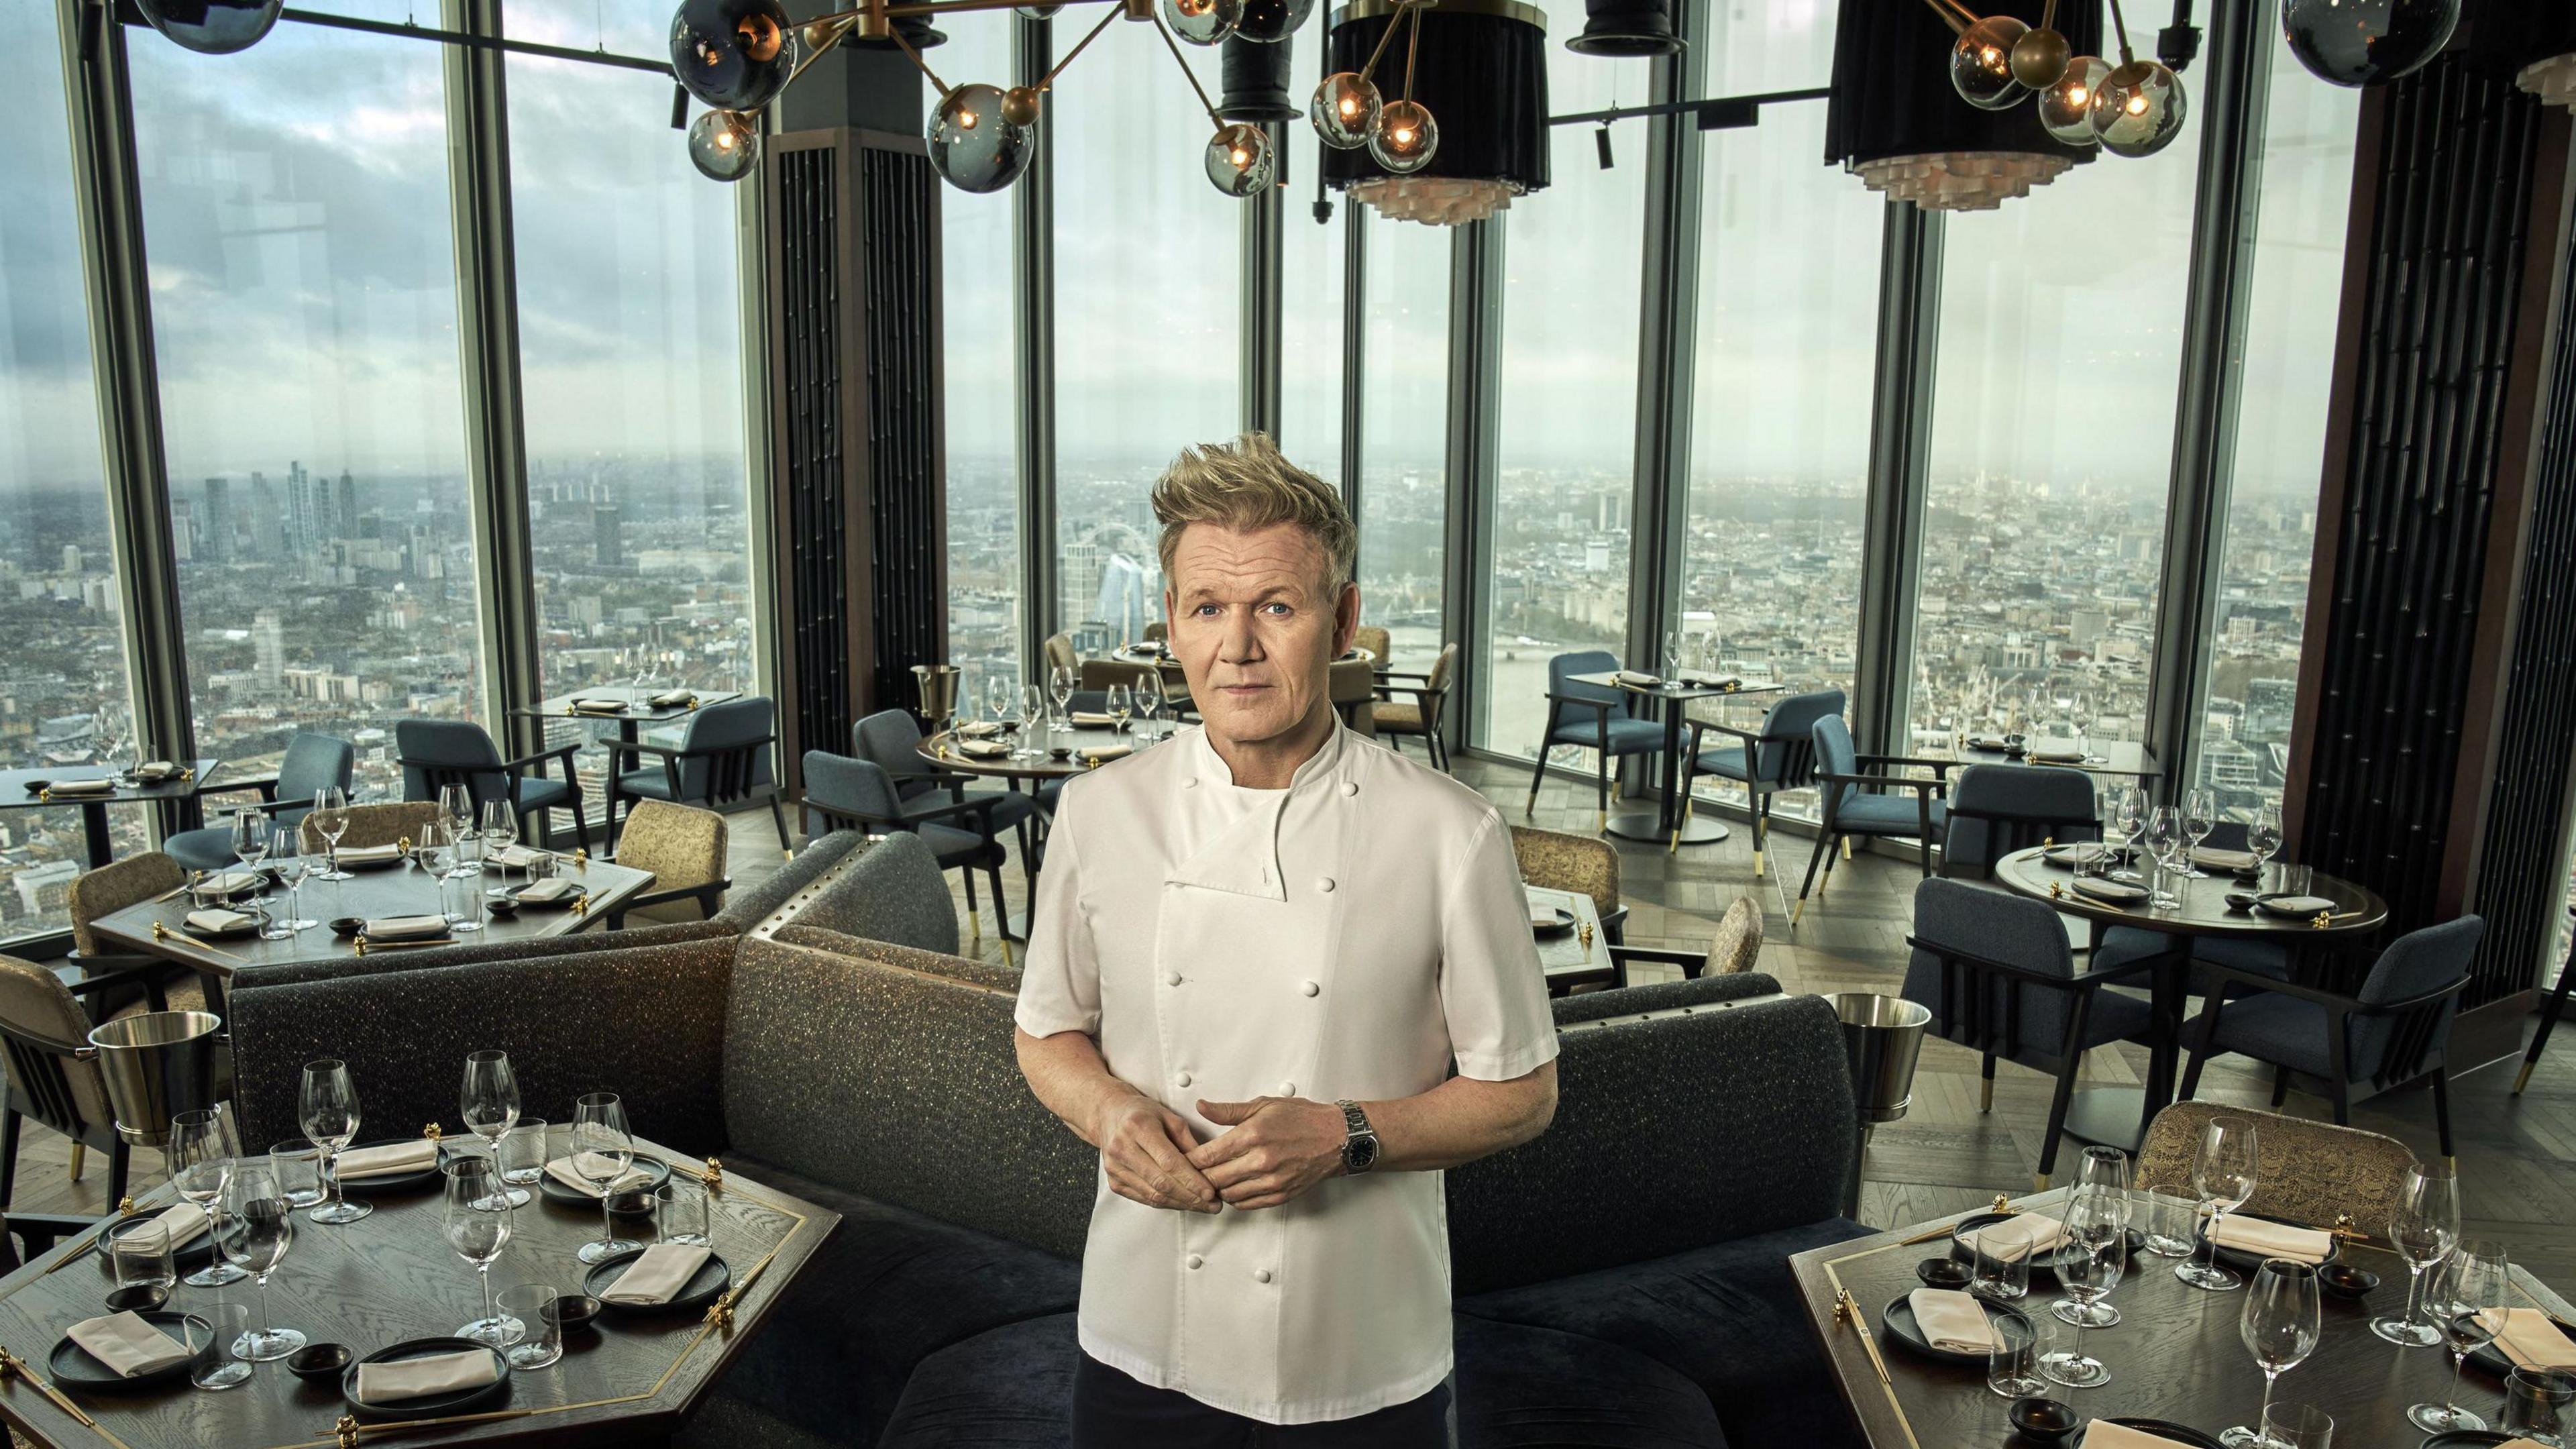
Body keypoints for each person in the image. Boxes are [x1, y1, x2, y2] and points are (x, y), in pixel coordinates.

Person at [1014, 433, 1560, 1446]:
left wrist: (1348, 1134)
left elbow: (1523, 1093)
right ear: (1170, 622)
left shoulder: (1451, 833)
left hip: (1360, 1357)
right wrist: (1114, 1119)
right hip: (1137, 1338)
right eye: (1208, 609)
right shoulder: (1099, 813)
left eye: (1276, 606)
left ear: (1343, 618)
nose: (1239, 648)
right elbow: (1046, 1032)